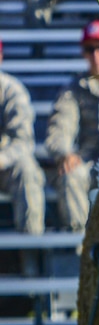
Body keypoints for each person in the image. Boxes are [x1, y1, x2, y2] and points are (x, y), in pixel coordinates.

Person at [40, 20, 99, 231]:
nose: (96, 55)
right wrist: (65, 153)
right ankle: (80, 245)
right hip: (88, 158)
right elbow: (59, 128)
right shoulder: (72, 90)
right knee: (70, 175)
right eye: (89, 49)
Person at [0, 40, 40, 235]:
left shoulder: (12, 90)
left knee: (27, 170)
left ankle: (31, 255)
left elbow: (24, 142)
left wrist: (2, 158)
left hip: (5, 165)